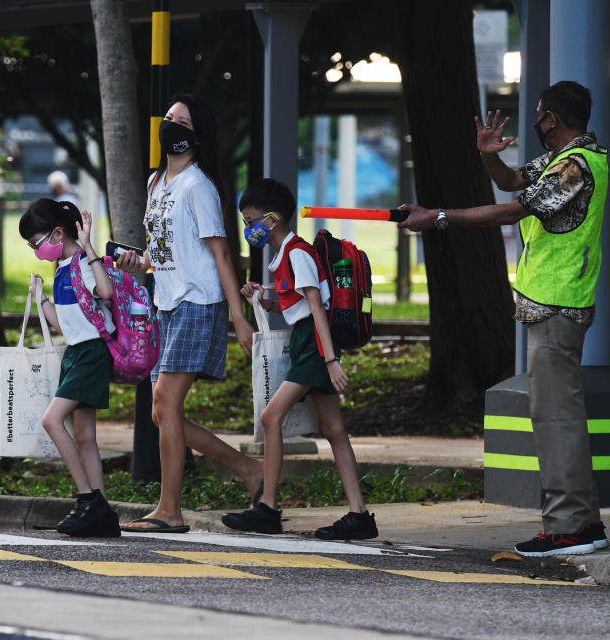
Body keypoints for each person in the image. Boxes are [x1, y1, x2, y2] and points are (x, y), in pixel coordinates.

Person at [398, 80, 607, 557]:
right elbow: (512, 181)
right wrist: (489, 155)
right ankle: (583, 522)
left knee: (556, 418)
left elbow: (514, 210)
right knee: (559, 415)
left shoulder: (576, 167)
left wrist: (438, 218)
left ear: (550, 118)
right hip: (552, 303)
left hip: (557, 304)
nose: (535, 121)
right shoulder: (565, 161)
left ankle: (569, 526)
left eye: (538, 114)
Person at [115, 93, 262, 533]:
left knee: (164, 404)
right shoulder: (155, 183)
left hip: (198, 301)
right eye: (170, 118)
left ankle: (169, 510)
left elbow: (220, 253)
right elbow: (163, 254)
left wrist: (238, 316)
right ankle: (248, 469)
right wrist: (136, 260)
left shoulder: (198, 185)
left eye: (182, 121)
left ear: (196, 136)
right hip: (166, 301)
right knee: (163, 414)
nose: (171, 124)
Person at [220, 178, 378, 538]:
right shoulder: (287, 255)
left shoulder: (297, 253)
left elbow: (317, 309)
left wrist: (329, 360)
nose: (248, 230)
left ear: (272, 220)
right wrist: (263, 302)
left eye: (251, 222)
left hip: (312, 346)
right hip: (309, 341)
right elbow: (297, 307)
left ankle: (268, 507)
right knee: (334, 430)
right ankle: (359, 515)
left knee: (270, 416)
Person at [19, 198, 118, 537]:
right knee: (85, 437)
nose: (37, 251)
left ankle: (87, 499)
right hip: (77, 351)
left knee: (51, 420)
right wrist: (41, 299)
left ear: (58, 233)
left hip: (91, 353)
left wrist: (89, 247)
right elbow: (64, 325)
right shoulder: (62, 268)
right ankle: (101, 512)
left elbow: (105, 291)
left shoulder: (82, 263)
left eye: (37, 244)